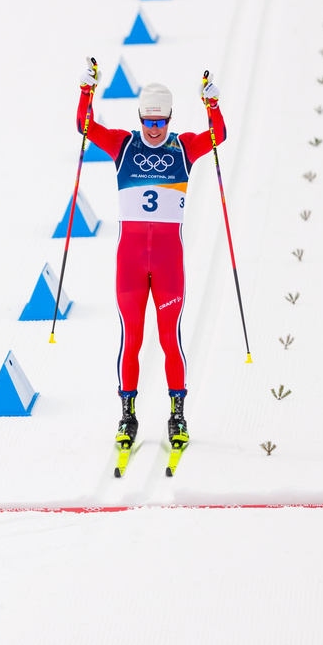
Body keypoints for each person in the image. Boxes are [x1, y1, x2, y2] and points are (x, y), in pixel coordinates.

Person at [76, 61, 226, 449]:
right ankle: (128, 416)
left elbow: (218, 135)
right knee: (132, 340)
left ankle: (177, 416)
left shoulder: (184, 147)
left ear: (170, 118)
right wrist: (87, 91)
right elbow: (85, 127)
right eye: (148, 121)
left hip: (167, 262)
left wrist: (212, 103)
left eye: (160, 122)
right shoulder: (124, 145)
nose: (154, 129)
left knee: (169, 340)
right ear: (140, 117)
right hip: (129, 262)